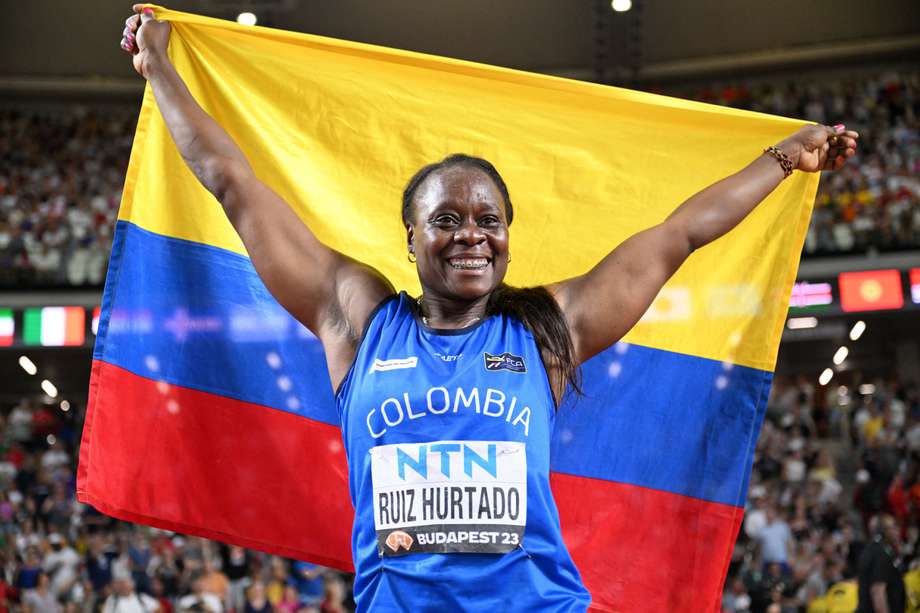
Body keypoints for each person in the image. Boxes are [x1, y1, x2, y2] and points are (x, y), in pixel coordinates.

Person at [119, 5, 859, 611]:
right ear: (410, 240)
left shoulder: (547, 328)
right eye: (446, 219)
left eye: (487, 218)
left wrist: (784, 158)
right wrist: (158, 68)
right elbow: (232, 183)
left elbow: (678, 234)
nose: (470, 233)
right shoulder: (358, 318)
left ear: (508, 236)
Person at [856, 514, 906, 613]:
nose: (897, 531)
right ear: (883, 531)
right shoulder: (880, 553)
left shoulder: (874, 549)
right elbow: (878, 591)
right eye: (893, 527)